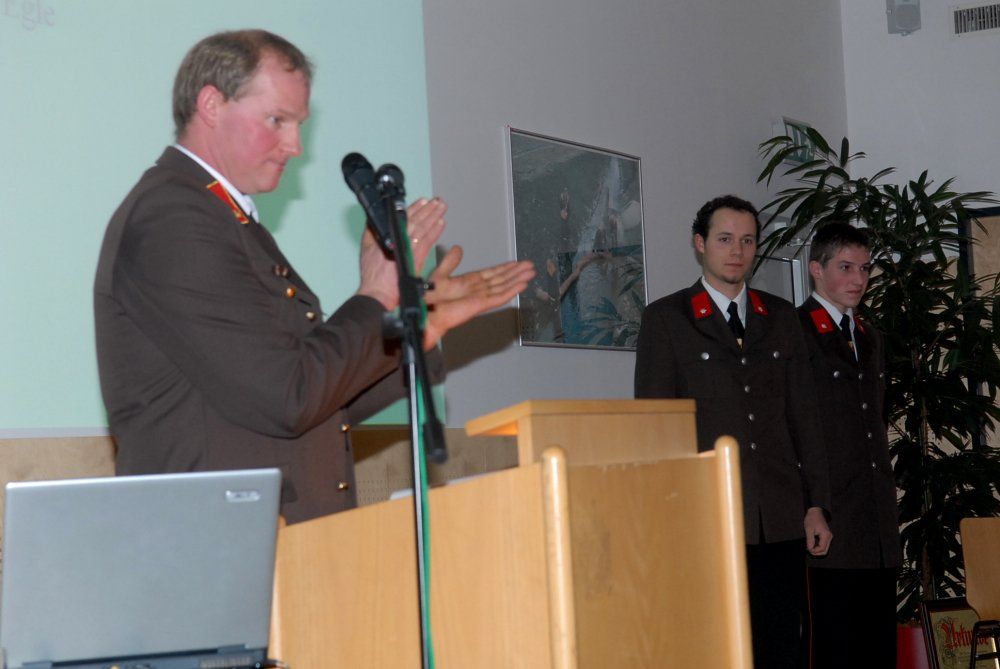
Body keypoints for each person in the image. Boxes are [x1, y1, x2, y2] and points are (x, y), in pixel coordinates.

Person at [93, 29, 534, 524]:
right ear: (212, 105)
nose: (295, 146)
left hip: (268, 541)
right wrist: (375, 295)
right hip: (215, 541)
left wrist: (415, 330)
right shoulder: (174, 217)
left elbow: (317, 403)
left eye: (298, 124)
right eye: (277, 120)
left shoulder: (220, 216)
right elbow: (288, 398)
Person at [634, 194, 832, 669]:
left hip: (780, 516)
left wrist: (817, 505)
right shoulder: (667, 319)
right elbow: (656, 430)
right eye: (725, 239)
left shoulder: (781, 318)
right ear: (699, 244)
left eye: (747, 241)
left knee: (782, 644)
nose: (737, 251)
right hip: (708, 516)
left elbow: (805, 417)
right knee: (719, 646)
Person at [797, 223, 900, 668]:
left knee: (878, 649)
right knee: (835, 647)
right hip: (831, 518)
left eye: (865, 268)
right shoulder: (794, 332)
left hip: (875, 523)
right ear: (816, 269)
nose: (858, 279)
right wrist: (811, 505)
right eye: (845, 267)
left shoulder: (869, 335)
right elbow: (792, 428)